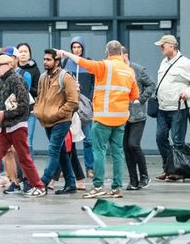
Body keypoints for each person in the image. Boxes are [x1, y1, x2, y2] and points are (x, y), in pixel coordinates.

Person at [57, 40, 139, 199]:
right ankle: (116, 188)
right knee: (118, 153)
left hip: (103, 117)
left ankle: (98, 186)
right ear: (121, 53)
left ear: (107, 52)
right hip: (121, 118)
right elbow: (134, 96)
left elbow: (83, 62)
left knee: (99, 152)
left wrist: (65, 53)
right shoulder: (129, 71)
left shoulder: (104, 66)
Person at [0, 54, 46, 198]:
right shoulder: (0, 81)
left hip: (17, 126)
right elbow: (0, 104)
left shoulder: (18, 81)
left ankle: (39, 186)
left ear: (8, 65)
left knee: (24, 157)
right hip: (3, 127)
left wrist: (4, 114)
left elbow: (24, 105)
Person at [153, 35, 190, 182]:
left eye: (163, 45)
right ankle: (168, 168)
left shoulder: (185, 63)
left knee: (177, 140)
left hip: (178, 107)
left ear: (172, 46)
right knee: (160, 138)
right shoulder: (163, 62)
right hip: (163, 107)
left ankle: (177, 171)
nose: (161, 48)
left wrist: (187, 93)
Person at [34, 49, 80, 196]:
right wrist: (38, 109)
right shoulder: (42, 77)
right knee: (60, 153)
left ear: (57, 61)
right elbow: (39, 96)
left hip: (61, 120)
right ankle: (71, 183)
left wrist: (58, 113)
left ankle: (44, 182)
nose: (45, 62)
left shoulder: (65, 77)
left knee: (53, 149)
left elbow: (73, 101)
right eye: (44, 59)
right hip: (47, 120)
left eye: (48, 59)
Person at [61, 36, 95, 177]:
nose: (76, 50)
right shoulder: (65, 63)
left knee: (88, 139)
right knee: (68, 139)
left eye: (79, 47)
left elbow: (94, 84)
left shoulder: (89, 63)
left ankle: (90, 168)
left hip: (85, 106)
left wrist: (91, 100)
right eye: (74, 47)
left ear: (83, 48)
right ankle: (65, 167)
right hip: (70, 105)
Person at [123, 52, 156, 191]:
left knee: (133, 144)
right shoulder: (117, 71)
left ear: (126, 55)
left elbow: (151, 85)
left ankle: (144, 176)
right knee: (126, 147)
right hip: (122, 115)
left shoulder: (138, 69)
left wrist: (141, 99)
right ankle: (133, 180)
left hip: (138, 114)